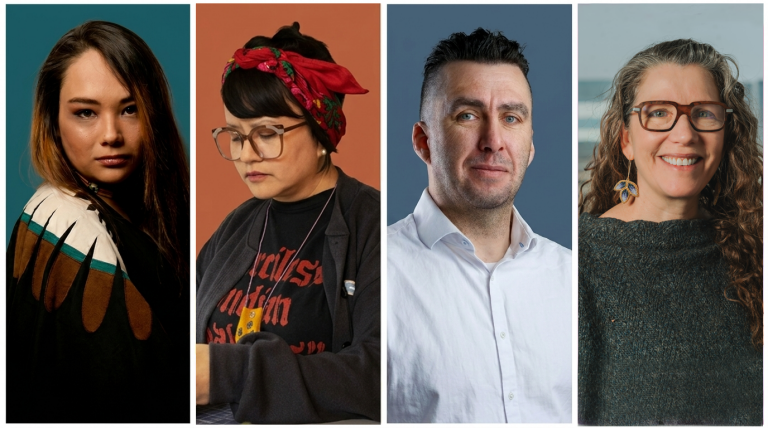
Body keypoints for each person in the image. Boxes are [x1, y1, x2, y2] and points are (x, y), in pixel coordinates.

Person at [195, 23, 380, 423]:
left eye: (267, 133)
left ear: (320, 135)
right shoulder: (235, 227)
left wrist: (229, 371)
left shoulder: (373, 227)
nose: (247, 155)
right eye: (236, 135)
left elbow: (381, 373)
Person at [6, 21, 189, 423]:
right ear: (53, 121)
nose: (111, 134)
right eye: (85, 113)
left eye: (129, 109)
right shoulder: (59, 221)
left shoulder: (166, 217)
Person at [387, 28, 572, 423]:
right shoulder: (376, 274)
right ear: (423, 141)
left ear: (531, 145)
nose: (493, 140)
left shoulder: (574, 279)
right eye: (467, 115)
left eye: (511, 117)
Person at [578, 39, 762, 425]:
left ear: (725, 133)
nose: (684, 134)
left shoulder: (754, 250)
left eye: (705, 114)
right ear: (626, 139)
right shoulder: (576, 263)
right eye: (658, 113)